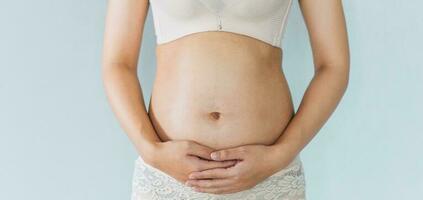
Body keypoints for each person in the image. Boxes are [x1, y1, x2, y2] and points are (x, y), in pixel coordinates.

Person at [101, 0, 349, 199]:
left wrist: (280, 155)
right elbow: (117, 64)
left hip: (268, 177)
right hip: (168, 176)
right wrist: (151, 151)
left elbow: (333, 66)